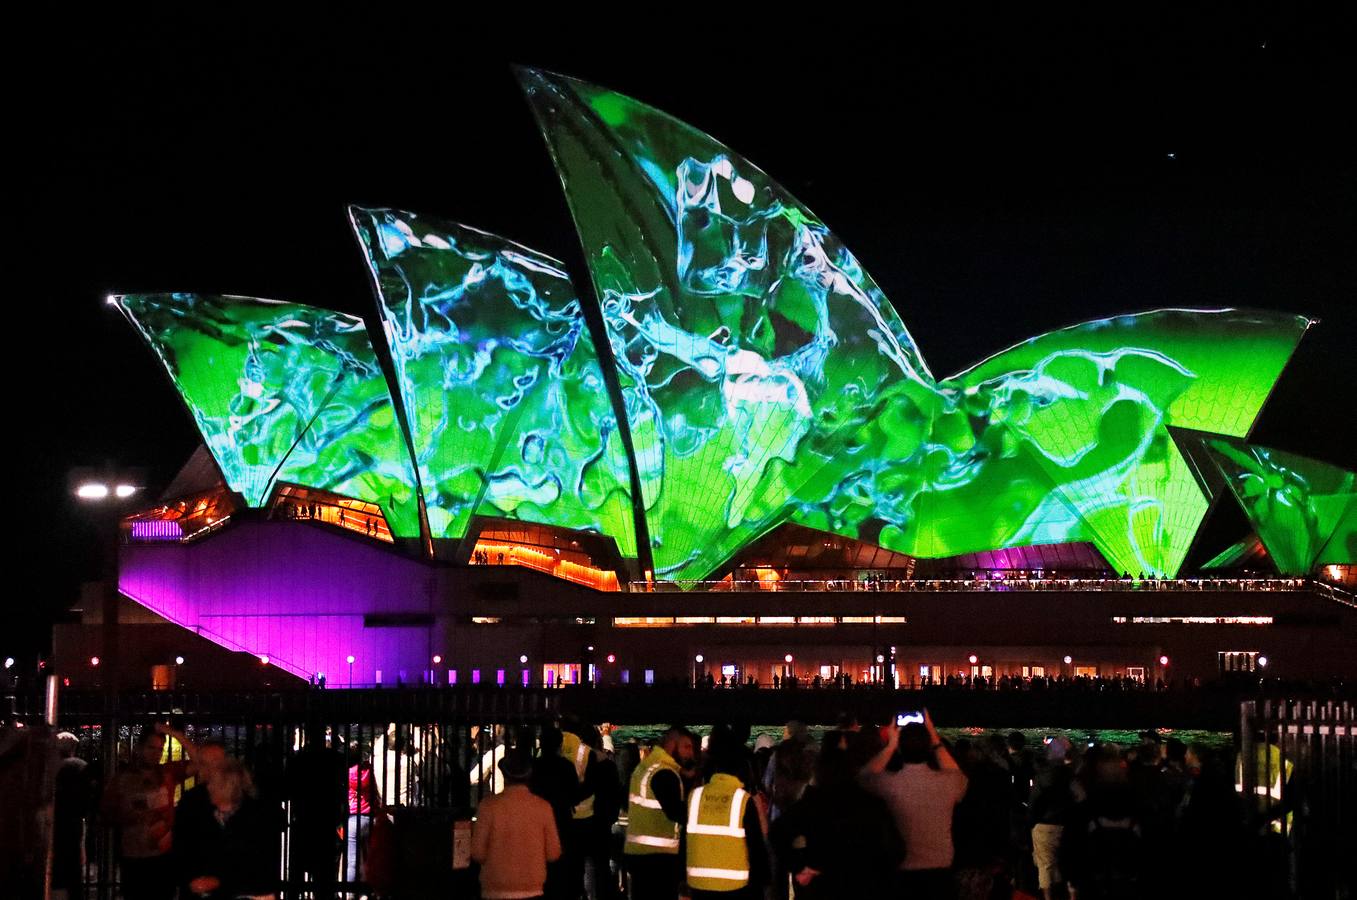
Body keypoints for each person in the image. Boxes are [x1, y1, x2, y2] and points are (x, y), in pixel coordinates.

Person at [774, 731, 901, 898]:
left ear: (819, 772)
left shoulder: (811, 805)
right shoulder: (871, 805)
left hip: (821, 887)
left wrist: (799, 866)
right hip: (863, 885)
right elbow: (896, 850)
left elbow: (777, 833)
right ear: (853, 770)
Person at [860, 711, 968, 900]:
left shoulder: (890, 783)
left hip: (900, 872)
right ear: (929, 748)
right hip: (940, 873)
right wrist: (935, 738)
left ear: (900, 750)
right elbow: (958, 774)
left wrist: (890, 745)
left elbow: (863, 777)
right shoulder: (949, 782)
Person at [102, 724, 200, 900]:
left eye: (160, 749)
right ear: (140, 748)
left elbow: (198, 763)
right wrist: (128, 817)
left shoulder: (167, 772)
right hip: (133, 857)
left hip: (163, 857)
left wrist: (174, 733)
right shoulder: (122, 779)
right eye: (151, 748)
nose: (156, 753)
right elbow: (106, 813)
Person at [176, 758, 278, 900]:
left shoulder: (255, 819)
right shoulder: (203, 814)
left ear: (227, 786)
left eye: (212, 783)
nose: (208, 787)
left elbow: (256, 867)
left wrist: (219, 881)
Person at [471, 750, 562, 900]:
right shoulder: (543, 807)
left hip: (494, 888)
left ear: (504, 775)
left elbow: (477, 853)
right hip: (532, 888)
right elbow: (553, 853)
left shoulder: (488, 806)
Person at [623, 726, 695, 900]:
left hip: (639, 853)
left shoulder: (646, 767)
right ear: (672, 745)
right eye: (686, 747)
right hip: (658, 858)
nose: (691, 753)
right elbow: (676, 811)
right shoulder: (664, 772)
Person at [685, 749, 768, 900]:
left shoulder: (695, 796)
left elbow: (686, 838)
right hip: (734, 886)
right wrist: (762, 880)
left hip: (698, 884)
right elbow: (755, 845)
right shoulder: (742, 799)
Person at [284, 725, 347, 900]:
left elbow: (286, 790)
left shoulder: (297, 760)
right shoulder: (335, 759)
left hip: (303, 821)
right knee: (324, 878)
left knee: (296, 877)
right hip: (327, 823)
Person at [170, 739, 229, 898]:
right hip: (197, 878)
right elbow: (181, 843)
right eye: (203, 763)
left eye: (214, 762)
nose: (208, 769)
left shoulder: (237, 797)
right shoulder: (191, 799)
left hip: (223, 880)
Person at [1028, 736, 1077, 900]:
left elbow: (1034, 803)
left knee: (1045, 865)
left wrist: (1031, 822)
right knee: (1070, 862)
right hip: (1068, 824)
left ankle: (1048, 897)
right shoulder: (1072, 775)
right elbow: (1080, 798)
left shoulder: (1042, 776)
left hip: (1045, 824)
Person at [52, 732, 94, 900]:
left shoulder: (48, 767)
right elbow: (86, 804)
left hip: (51, 827)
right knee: (72, 877)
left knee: (56, 878)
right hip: (72, 828)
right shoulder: (80, 767)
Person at [345, 744, 383, 884]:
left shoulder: (347, 773)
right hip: (370, 816)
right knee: (370, 857)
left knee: (352, 861)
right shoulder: (368, 770)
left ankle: (349, 891)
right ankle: (369, 887)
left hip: (353, 817)